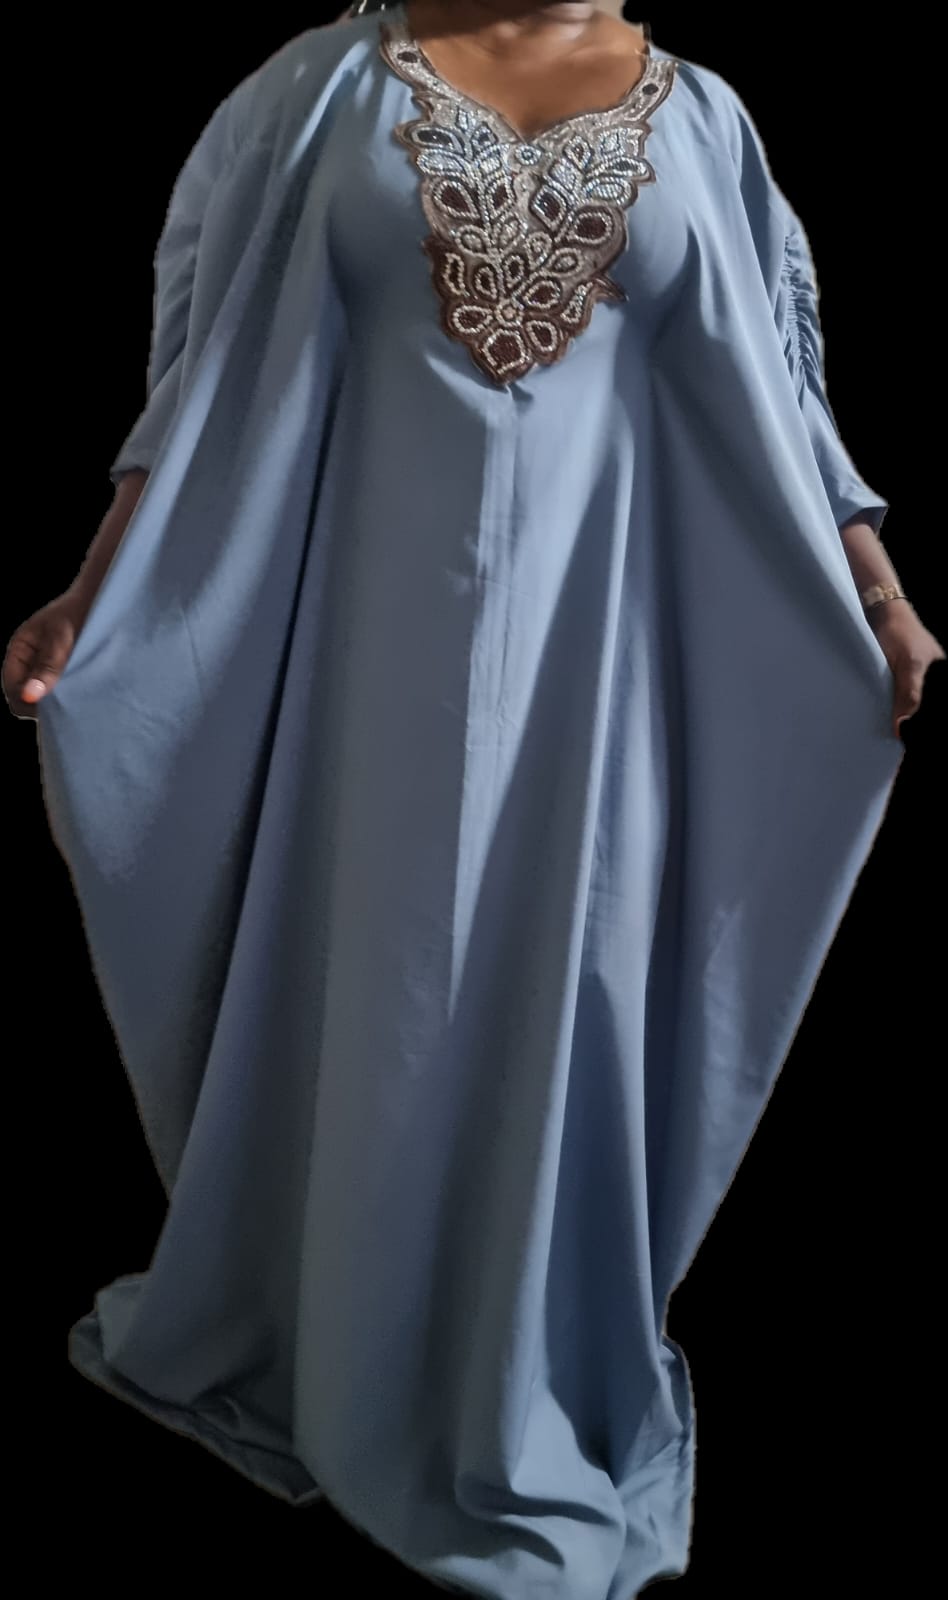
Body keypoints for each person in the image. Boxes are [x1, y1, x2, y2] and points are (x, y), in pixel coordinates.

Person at [4, 3, 943, 1596]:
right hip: (365, 680)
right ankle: (334, 1347)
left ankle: (515, 1382)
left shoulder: (699, 118)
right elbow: (206, 367)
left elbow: (787, 385)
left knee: (564, 994)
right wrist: (93, 596)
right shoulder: (318, 92)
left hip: (603, 675)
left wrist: (884, 598)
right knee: (377, 998)